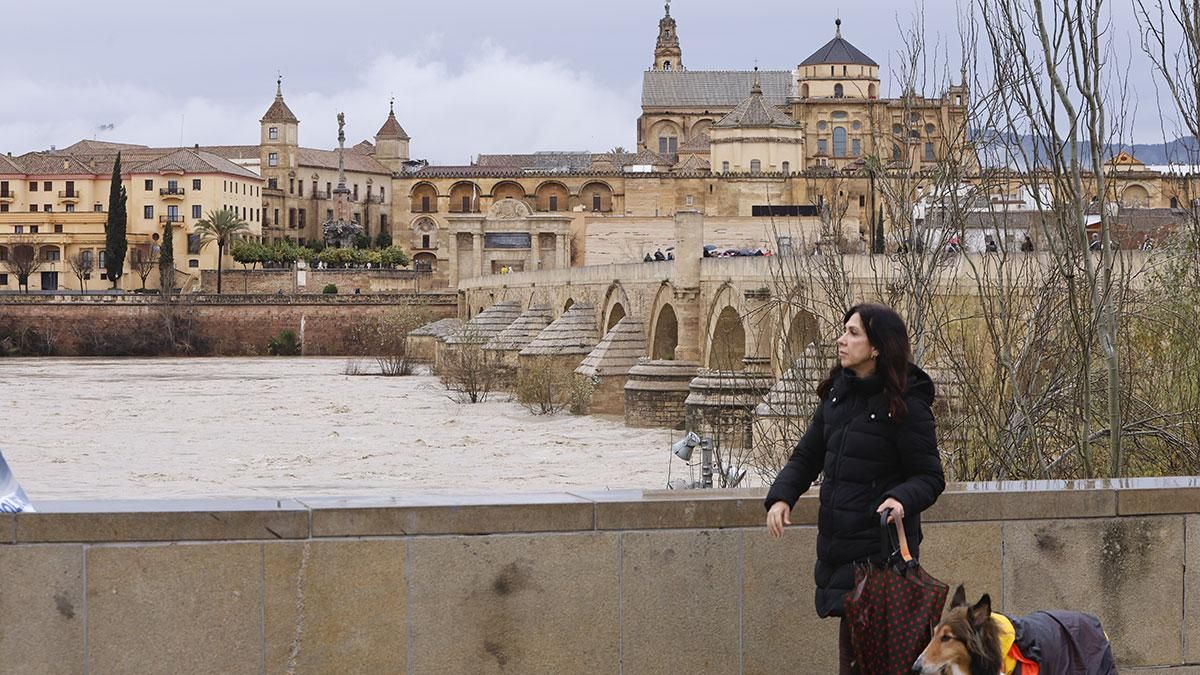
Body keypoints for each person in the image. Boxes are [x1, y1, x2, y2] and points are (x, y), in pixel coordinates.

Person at [765, 304, 945, 674]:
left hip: (880, 562)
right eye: (844, 330)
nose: (841, 339)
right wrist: (782, 497)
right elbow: (807, 456)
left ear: (877, 346)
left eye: (853, 333)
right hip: (840, 554)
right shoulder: (838, 395)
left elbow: (929, 477)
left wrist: (900, 498)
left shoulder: (905, 405)